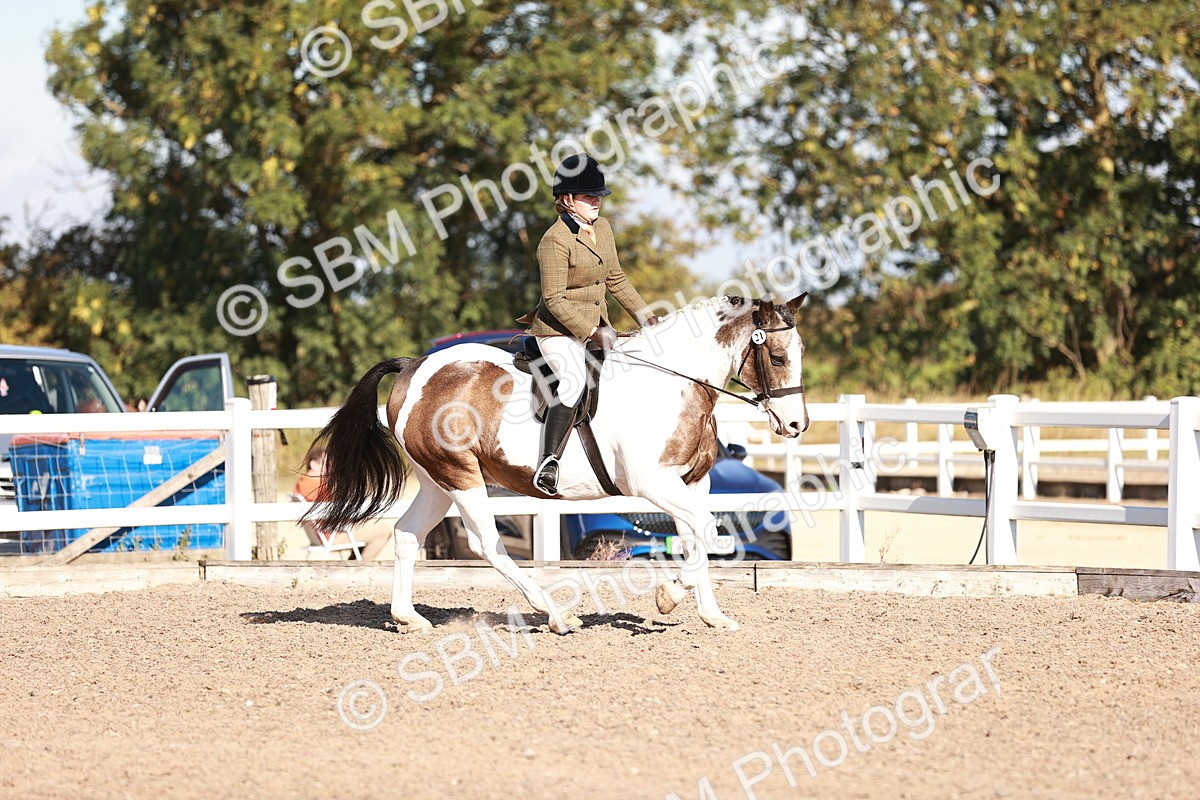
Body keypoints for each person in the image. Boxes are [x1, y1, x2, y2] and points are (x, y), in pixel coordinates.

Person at [516, 153, 660, 496]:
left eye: (598, 194)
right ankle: (549, 461)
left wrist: (647, 317)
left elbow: (616, 278)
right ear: (567, 200)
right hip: (557, 331)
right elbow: (553, 300)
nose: (596, 200)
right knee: (572, 379)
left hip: (598, 325)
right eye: (587, 196)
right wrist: (592, 331)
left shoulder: (603, 228)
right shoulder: (554, 241)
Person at [290, 448, 390, 559]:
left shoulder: (302, 483)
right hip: (333, 534)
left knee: (371, 524)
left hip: (324, 533)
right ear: (313, 464)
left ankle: (354, 564)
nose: (331, 467)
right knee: (384, 530)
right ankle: (361, 567)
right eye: (326, 463)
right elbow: (336, 508)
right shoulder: (314, 486)